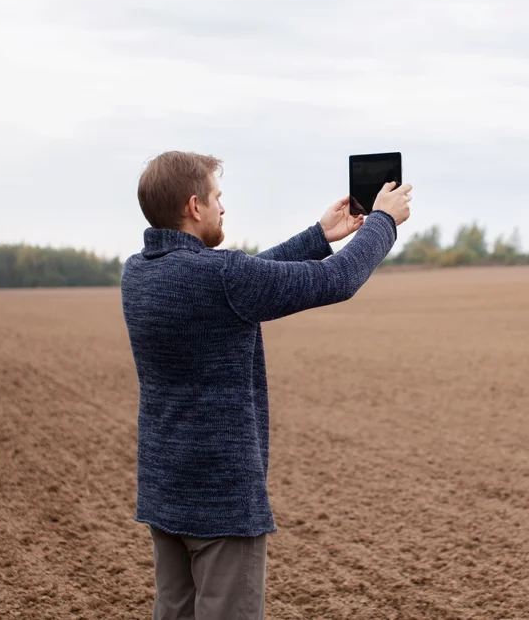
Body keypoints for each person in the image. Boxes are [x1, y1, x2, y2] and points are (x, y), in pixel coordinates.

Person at [120, 150, 412, 620]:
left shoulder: (138, 273)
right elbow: (334, 280)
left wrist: (318, 236)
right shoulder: (219, 277)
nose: (223, 208)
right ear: (195, 207)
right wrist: (384, 222)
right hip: (223, 503)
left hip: (165, 492)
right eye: (217, 198)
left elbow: (239, 285)